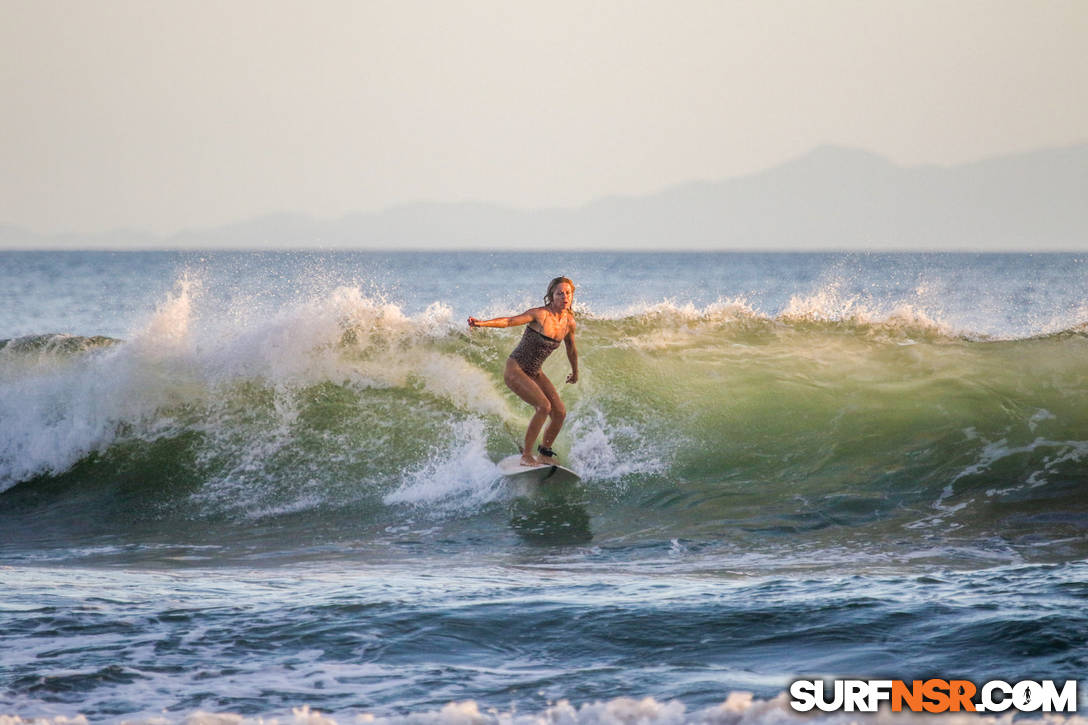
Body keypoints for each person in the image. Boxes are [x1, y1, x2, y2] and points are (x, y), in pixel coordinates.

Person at [468, 277, 579, 466]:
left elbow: (571, 348)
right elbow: (510, 321)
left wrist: (575, 371)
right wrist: (482, 323)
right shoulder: (540, 315)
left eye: (567, 293)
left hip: (535, 372)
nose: (564, 296)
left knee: (559, 411)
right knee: (544, 406)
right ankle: (526, 455)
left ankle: (544, 452)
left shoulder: (568, 322)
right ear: (551, 296)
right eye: (559, 293)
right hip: (516, 369)